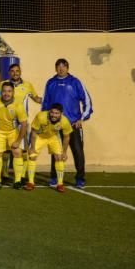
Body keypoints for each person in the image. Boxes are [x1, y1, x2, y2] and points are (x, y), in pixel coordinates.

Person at [42, 58, 92, 188]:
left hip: (73, 125)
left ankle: (80, 178)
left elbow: (87, 101)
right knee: (55, 152)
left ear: (67, 68)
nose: (61, 68)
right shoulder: (50, 83)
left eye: (63, 66)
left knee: (78, 152)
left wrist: (82, 118)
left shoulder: (75, 82)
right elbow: (45, 104)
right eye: (58, 66)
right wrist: (46, 121)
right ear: (55, 68)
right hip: (55, 125)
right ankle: (54, 177)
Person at [0, 82, 29, 189]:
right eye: (4, 91)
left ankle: (18, 180)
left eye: (9, 91)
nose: (6, 93)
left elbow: (24, 124)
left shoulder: (18, 105)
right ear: (1, 92)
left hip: (13, 131)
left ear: (13, 92)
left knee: (17, 152)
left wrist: (18, 141)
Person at [26, 104, 72, 193]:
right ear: (49, 111)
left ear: (61, 113)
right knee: (32, 156)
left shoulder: (65, 121)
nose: (54, 115)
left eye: (57, 113)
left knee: (59, 157)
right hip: (40, 137)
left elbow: (67, 137)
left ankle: (60, 184)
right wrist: (32, 147)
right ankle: (31, 182)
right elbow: (34, 132)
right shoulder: (41, 116)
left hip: (53, 137)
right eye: (52, 112)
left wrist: (65, 152)